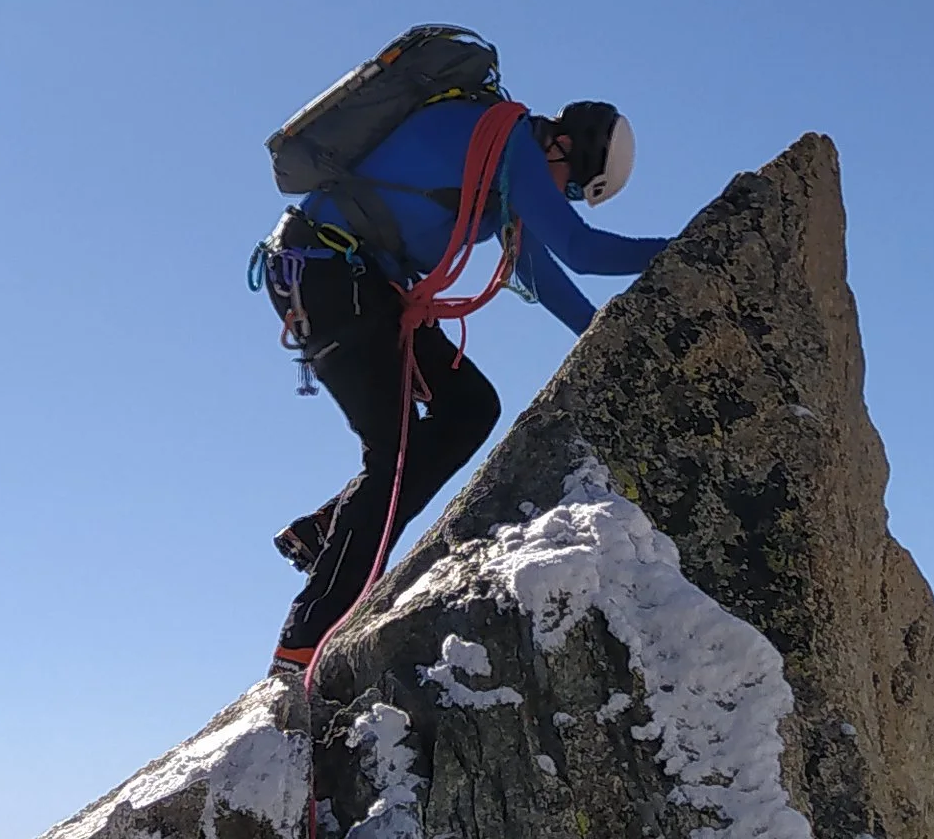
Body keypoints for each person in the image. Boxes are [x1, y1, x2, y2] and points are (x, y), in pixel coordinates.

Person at [257, 95, 669, 682]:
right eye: (573, 188)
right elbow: (581, 251)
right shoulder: (508, 142)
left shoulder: (501, 163)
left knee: (470, 406)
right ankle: (304, 642)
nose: (563, 199)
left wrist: (601, 339)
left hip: (346, 276)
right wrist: (693, 243)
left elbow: (538, 274)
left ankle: (329, 529)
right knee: (392, 454)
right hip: (331, 271)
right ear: (566, 146)